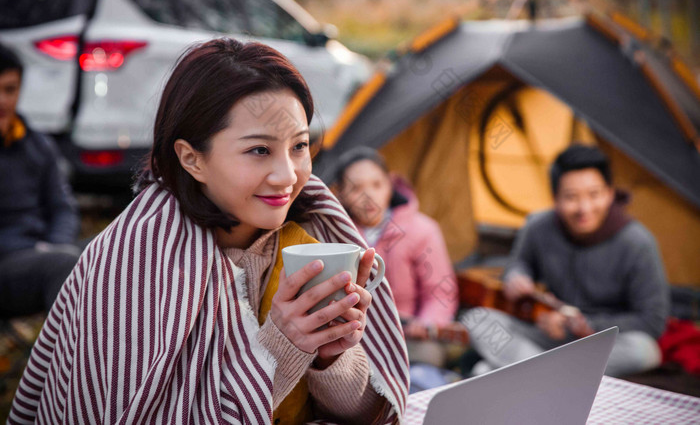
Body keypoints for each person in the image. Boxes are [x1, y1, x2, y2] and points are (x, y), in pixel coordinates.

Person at [9, 39, 408, 424]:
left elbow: (369, 415)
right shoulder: (134, 264)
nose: (288, 175)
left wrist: (329, 357)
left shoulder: (314, 232)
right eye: (259, 150)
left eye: (299, 146)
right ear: (191, 158)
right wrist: (283, 345)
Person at [466, 144, 670, 378]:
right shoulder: (538, 227)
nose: (584, 208)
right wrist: (516, 277)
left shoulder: (637, 242)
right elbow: (518, 263)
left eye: (594, 195)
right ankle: (549, 376)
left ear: (609, 193)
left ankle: (526, 373)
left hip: (599, 342)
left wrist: (585, 323)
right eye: (572, 197)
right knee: (478, 320)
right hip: (546, 333)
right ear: (555, 198)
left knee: (645, 351)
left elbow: (652, 320)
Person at [333, 147, 458, 372]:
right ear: (339, 193)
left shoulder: (423, 230)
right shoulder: (333, 234)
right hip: (350, 335)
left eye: (377, 185)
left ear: (390, 185)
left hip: (406, 335)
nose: (368, 196)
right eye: (355, 188)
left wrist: (428, 322)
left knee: (425, 361)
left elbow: (440, 292)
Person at [0, 44, 80, 319]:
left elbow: (62, 207)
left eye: (10, 90)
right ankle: (70, 361)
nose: (3, 101)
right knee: (64, 264)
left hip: (46, 250)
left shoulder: (37, 144)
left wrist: (55, 244)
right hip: (7, 266)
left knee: (118, 248)